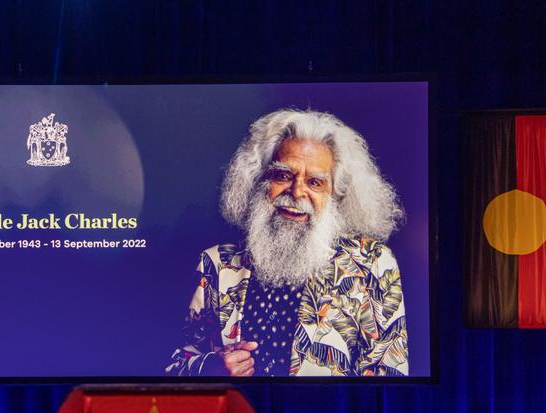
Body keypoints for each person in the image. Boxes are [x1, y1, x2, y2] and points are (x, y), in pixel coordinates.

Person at [166, 109, 408, 377]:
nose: (296, 192)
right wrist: (211, 366)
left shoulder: (371, 264)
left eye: (315, 182)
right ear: (259, 180)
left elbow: (391, 377)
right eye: (282, 176)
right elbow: (177, 365)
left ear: (336, 195)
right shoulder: (216, 264)